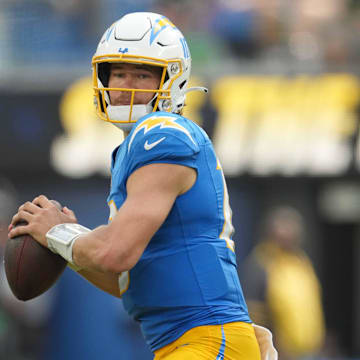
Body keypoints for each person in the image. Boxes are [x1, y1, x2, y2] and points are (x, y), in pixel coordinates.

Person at [9, 12, 276, 360]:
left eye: (142, 74)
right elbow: (129, 279)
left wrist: (60, 234)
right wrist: (67, 243)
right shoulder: (138, 145)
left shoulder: (163, 133)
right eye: (118, 73)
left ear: (172, 80)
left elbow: (114, 253)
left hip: (209, 341)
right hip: (190, 343)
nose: (125, 86)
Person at [241, 206, 325, 360]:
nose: (287, 235)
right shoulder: (261, 263)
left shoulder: (301, 261)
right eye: (282, 229)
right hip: (281, 353)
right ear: (270, 233)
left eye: (292, 230)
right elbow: (254, 313)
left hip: (310, 351)